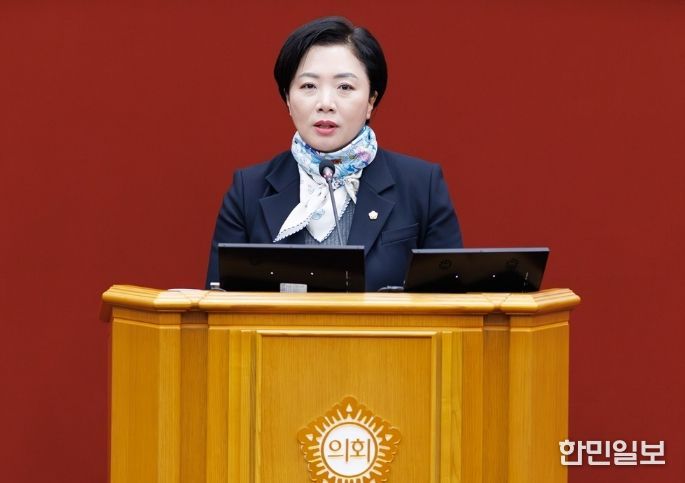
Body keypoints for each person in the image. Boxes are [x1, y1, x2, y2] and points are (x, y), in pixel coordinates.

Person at [206, 16, 463, 291]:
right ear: (288, 99)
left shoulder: (422, 186)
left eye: (345, 87)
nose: (325, 103)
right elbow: (218, 305)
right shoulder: (248, 191)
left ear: (371, 100)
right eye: (308, 86)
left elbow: (450, 302)